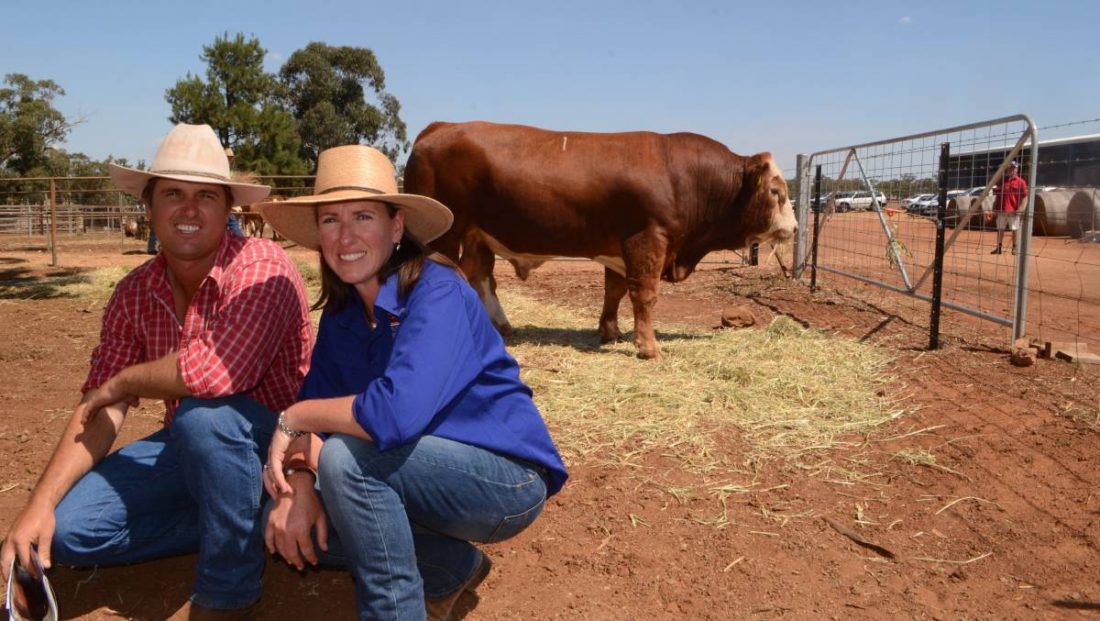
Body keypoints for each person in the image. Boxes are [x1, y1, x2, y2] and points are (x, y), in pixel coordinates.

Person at [0, 123, 314, 620]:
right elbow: (98, 409)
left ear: (228, 208)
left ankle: (227, 594)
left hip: (281, 445)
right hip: (195, 450)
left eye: (206, 196)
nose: (189, 210)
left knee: (203, 416)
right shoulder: (133, 291)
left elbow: (214, 374)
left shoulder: (262, 267)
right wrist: (37, 505)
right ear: (149, 209)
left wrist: (125, 382)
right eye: (172, 194)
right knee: (72, 530)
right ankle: (237, 517)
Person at [257, 145, 568, 620]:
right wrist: (298, 484)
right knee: (280, 517)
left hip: (505, 480)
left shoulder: (438, 292)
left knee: (349, 462)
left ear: (396, 226)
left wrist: (294, 420)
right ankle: (448, 566)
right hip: (416, 466)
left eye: (363, 216)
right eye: (330, 221)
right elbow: (316, 403)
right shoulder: (342, 315)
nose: (346, 237)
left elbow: (392, 414)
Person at [147, 147, 244, 254]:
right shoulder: (219, 169)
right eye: (173, 194)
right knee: (233, 222)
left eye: (206, 196)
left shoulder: (224, 171)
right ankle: (240, 242)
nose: (190, 212)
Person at [991, 160, 1029, 255]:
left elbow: (1025, 197)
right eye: (1009, 168)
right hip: (1001, 210)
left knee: (1015, 229)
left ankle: (1015, 248)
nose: (1011, 170)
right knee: (1000, 229)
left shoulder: (1021, 182)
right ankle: (999, 247)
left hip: (1014, 211)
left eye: (1013, 168)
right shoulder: (1002, 181)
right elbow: (998, 196)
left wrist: (1021, 209)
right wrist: (994, 208)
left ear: (1017, 169)